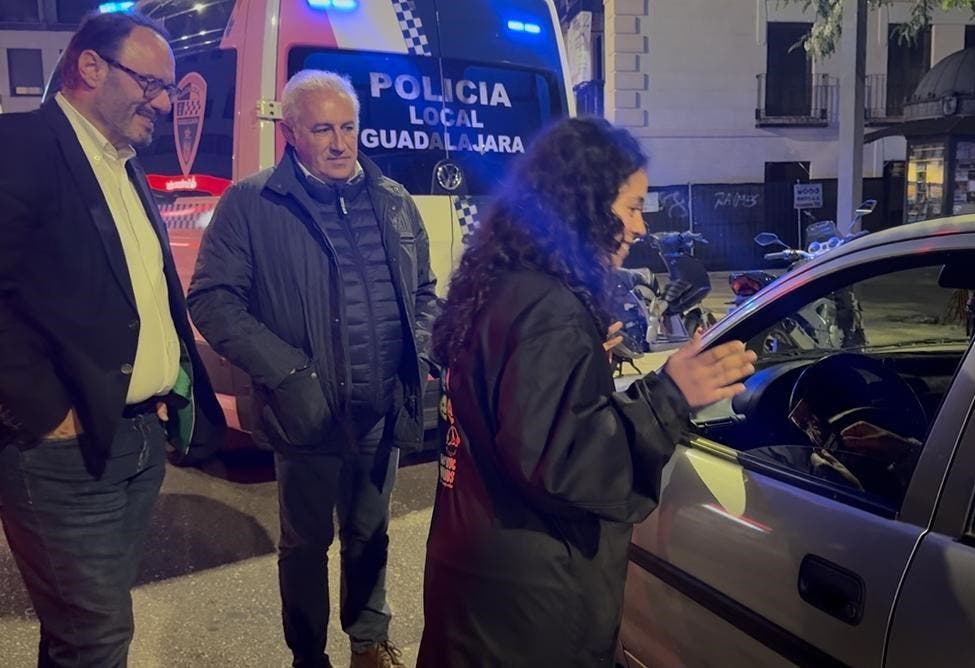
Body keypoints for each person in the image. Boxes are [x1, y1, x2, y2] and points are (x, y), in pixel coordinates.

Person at [417, 117, 757, 667]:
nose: (641, 227)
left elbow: (518, 416)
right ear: (584, 206)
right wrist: (670, 395)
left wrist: (579, 367)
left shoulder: (505, 285)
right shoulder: (548, 308)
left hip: (483, 584)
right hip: (530, 609)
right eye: (633, 207)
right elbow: (566, 466)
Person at [187, 69, 437, 668]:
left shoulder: (394, 200)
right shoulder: (252, 203)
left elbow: (425, 292)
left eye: (348, 127)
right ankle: (308, 655)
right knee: (305, 545)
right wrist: (291, 375)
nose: (340, 143)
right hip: (305, 414)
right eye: (323, 129)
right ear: (291, 133)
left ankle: (368, 641)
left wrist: (421, 351)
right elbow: (212, 300)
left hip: (380, 409)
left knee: (370, 533)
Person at [0, 11, 225, 667]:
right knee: (97, 637)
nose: (164, 103)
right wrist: (43, 411)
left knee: (77, 631)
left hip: (137, 441)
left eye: (170, 90)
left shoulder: (121, 163)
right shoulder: (21, 146)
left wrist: (163, 392)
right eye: (151, 84)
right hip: (63, 450)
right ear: (90, 67)